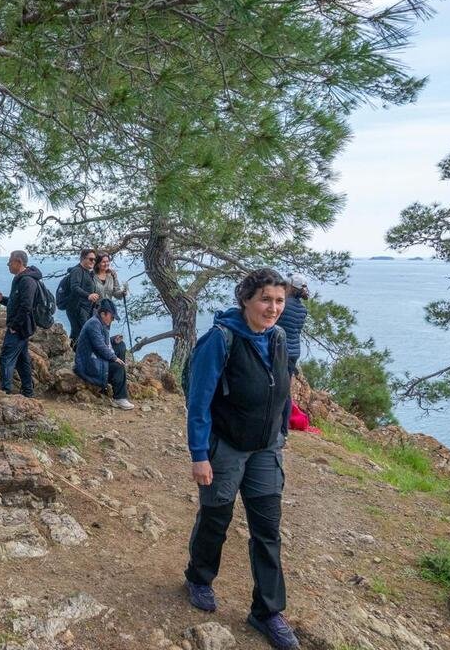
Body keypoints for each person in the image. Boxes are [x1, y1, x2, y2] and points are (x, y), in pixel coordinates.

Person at [182, 268, 297, 650]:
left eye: (279, 300)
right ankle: (199, 578)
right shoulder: (221, 339)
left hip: (265, 450)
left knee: (268, 529)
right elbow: (198, 401)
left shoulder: (278, 337)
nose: (273, 308)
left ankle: (266, 611)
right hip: (226, 447)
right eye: (266, 299)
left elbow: (282, 386)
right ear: (245, 299)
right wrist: (200, 455)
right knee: (216, 517)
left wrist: (281, 432)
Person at [0, 250, 43, 398]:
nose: (8, 264)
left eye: (10, 262)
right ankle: (28, 391)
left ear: (19, 262)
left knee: (6, 358)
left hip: (19, 328)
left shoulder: (26, 280)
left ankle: (5, 392)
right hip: (22, 327)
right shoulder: (21, 279)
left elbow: (26, 306)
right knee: (22, 360)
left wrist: (14, 326)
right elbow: (16, 303)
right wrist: (3, 300)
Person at [72, 299, 134, 410]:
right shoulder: (94, 324)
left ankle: (116, 381)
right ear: (103, 314)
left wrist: (113, 340)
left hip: (95, 358)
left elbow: (100, 342)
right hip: (89, 364)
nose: (113, 320)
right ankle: (120, 398)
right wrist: (114, 358)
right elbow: (99, 346)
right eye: (112, 317)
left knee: (121, 346)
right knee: (118, 366)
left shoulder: (100, 323)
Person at [94, 253, 129, 358]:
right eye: (103, 262)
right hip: (95, 309)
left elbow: (116, 293)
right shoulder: (92, 276)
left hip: (108, 311)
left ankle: (105, 355)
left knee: (106, 333)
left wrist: (123, 293)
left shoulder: (111, 276)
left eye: (107, 261)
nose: (106, 264)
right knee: (96, 333)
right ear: (98, 263)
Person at [64, 249, 100, 347]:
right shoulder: (77, 271)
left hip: (84, 308)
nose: (93, 262)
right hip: (77, 308)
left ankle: (71, 354)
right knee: (82, 332)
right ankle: (75, 355)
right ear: (83, 258)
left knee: (79, 332)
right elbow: (74, 287)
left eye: (95, 260)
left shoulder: (87, 272)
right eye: (91, 259)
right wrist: (88, 295)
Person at [276, 273, 309, 379]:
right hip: (294, 352)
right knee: (285, 386)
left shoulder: (283, 304)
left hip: (280, 351)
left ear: (290, 287)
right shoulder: (303, 309)